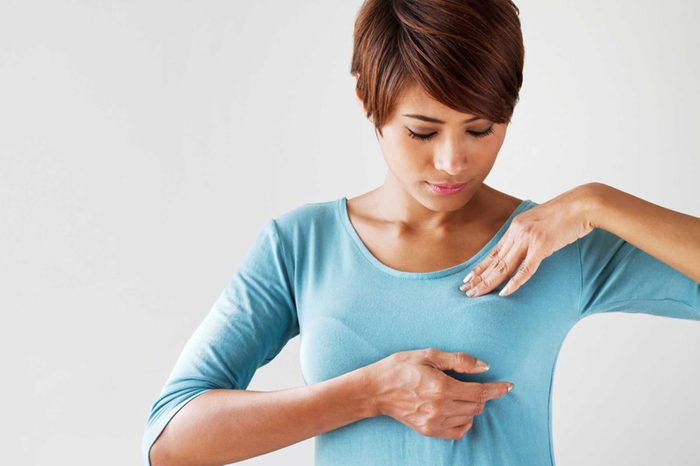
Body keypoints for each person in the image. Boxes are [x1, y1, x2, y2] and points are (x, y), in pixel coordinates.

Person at [142, 1, 700, 465]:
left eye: (480, 129)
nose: (453, 161)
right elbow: (170, 440)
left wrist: (595, 202)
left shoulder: (553, 242)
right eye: (422, 131)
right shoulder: (300, 245)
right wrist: (370, 394)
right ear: (367, 100)